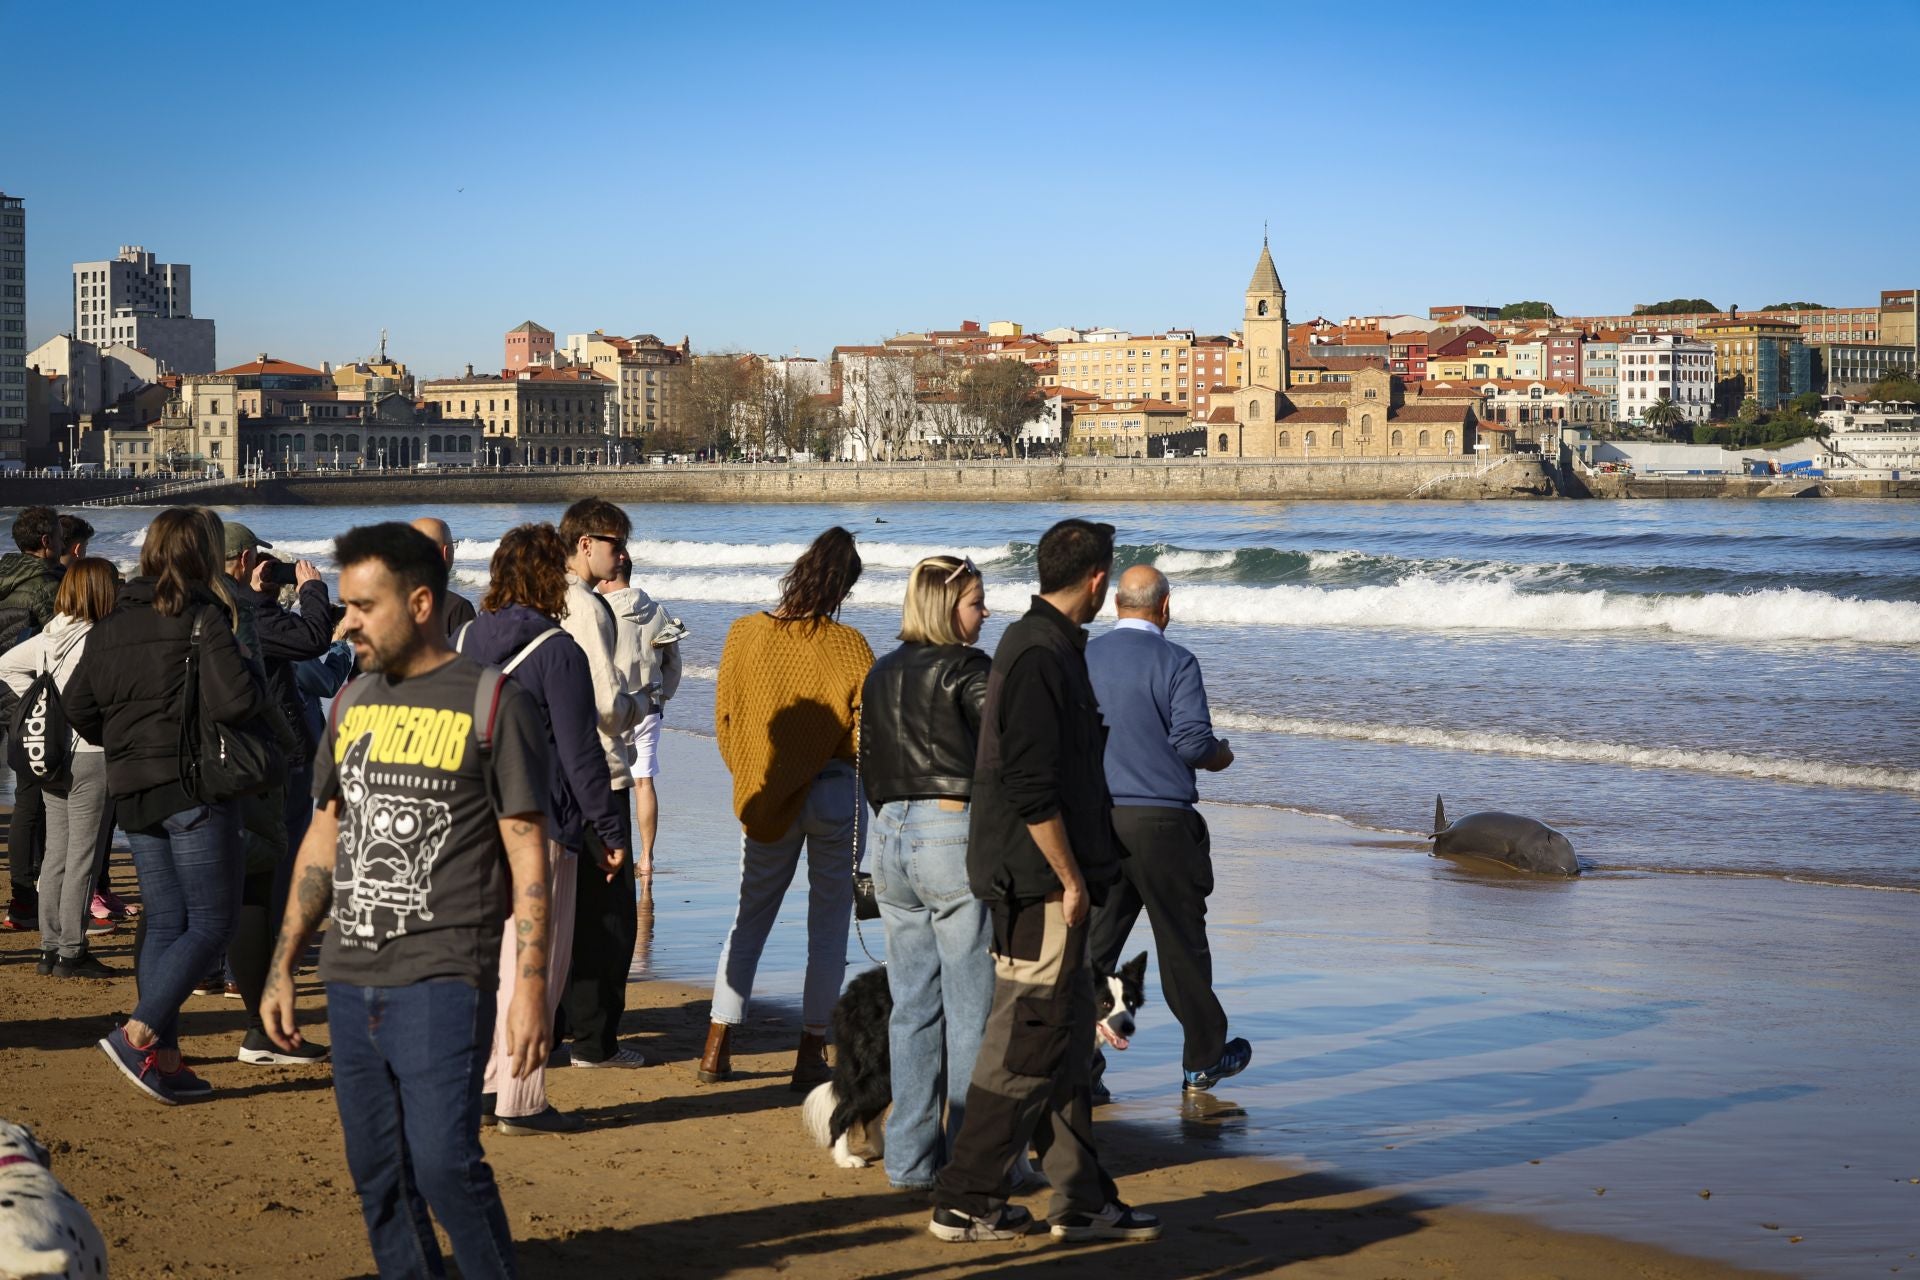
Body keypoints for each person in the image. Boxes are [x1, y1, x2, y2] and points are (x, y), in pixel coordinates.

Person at [260, 522, 553, 1279]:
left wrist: (528, 991)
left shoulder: (495, 703)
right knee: (379, 1181)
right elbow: (325, 834)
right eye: (344, 604)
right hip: (350, 979)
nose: (344, 620)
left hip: (443, 980)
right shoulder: (352, 701)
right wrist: (286, 959)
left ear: (420, 603)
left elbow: (527, 851)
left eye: (363, 606)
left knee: (446, 1166)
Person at [929, 519, 1161, 1245]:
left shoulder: (1050, 647)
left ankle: (1083, 1199)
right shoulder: (1036, 654)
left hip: (1053, 880)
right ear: (1096, 580)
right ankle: (966, 1200)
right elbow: (1029, 786)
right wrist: (1069, 879)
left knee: (1063, 1049)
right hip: (1037, 886)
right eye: (1106, 579)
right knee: (1025, 1046)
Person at [65, 507, 266, 1105]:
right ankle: (139, 1032)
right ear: (203, 555)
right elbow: (238, 701)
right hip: (192, 783)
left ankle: (166, 1057)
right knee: (212, 922)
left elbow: (79, 708)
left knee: (169, 919)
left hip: (133, 786)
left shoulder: (110, 623)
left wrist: (127, 740)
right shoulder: (201, 615)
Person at [460, 523, 629, 1135]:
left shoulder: (466, 637)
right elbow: (582, 756)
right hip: (541, 823)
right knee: (537, 966)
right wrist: (609, 831)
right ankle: (522, 1099)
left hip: (472, 817)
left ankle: (484, 1086)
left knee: (492, 964)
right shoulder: (559, 652)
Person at [705, 526, 872, 1088]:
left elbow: (726, 725)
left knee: (749, 918)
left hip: (767, 793)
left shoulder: (743, 634)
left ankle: (715, 1046)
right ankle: (808, 1053)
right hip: (833, 794)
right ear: (843, 587)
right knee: (827, 930)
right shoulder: (850, 646)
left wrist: (758, 777)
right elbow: (864, 737)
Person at [1085, 565, 1250, 1097]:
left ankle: (1077, 1067)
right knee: (1181, 945)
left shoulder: (1084, 655)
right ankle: (1202, 1060)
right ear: (1166, 606)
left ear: (1116, 605)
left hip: (1099, 818)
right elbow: (1192, 744)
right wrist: (1221, 754)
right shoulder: (1177, 660)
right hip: (1162, 819)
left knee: (1093, 947)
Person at [859, 554, 994, 1190]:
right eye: (975, 601)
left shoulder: (881, 672)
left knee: (911, 1007)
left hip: (889, 836)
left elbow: (870, 763)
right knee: (971, 1009)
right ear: (947, 607)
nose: (986, 612)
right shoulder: (969, 667)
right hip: (950, 829)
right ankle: (969, 1158)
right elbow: (1007, 749)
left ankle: (909, 1161)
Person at [556, 498, 647, 1069]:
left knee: (568, 907)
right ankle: (595, 1042)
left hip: (560, 771)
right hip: (600, 769)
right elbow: (606, 702)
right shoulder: (586, 606)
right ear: (586, 544)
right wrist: (641, 702)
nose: (622, 555)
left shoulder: (547, 594)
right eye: (615, 544)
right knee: (609, 916)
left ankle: (564, 1025)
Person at [0, 558, 118, 977]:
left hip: (49, 756)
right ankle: (72, 950)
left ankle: (50, 947)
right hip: (91, 752)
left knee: (56, 854)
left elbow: (7, 665)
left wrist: (40, 704)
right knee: (82, 856)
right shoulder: (102, 637)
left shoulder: (52, 633)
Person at [597, 543, 686, 885]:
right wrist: (664, 698)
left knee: (608, 780)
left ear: (609, 574)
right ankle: (646, 858)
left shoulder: (601, 610)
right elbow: (672, 663)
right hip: (649, 706)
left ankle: (612, 850)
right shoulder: (658, 611)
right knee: (644, 781)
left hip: (612, 705)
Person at [0, 505, 64, 933]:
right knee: (34, 794)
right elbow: (62, 644)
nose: (61, 543)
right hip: (24, 694)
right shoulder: (44, 584)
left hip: (3, 688)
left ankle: (25, 897)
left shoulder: (4, 574)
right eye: (58, 536)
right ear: (46, 542)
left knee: (26, 793)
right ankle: (25, 899)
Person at [413, 517, 477, 635]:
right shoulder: (457, 608)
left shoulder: (387, 602)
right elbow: (473, 651)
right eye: (453, 544)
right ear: (445, 552)